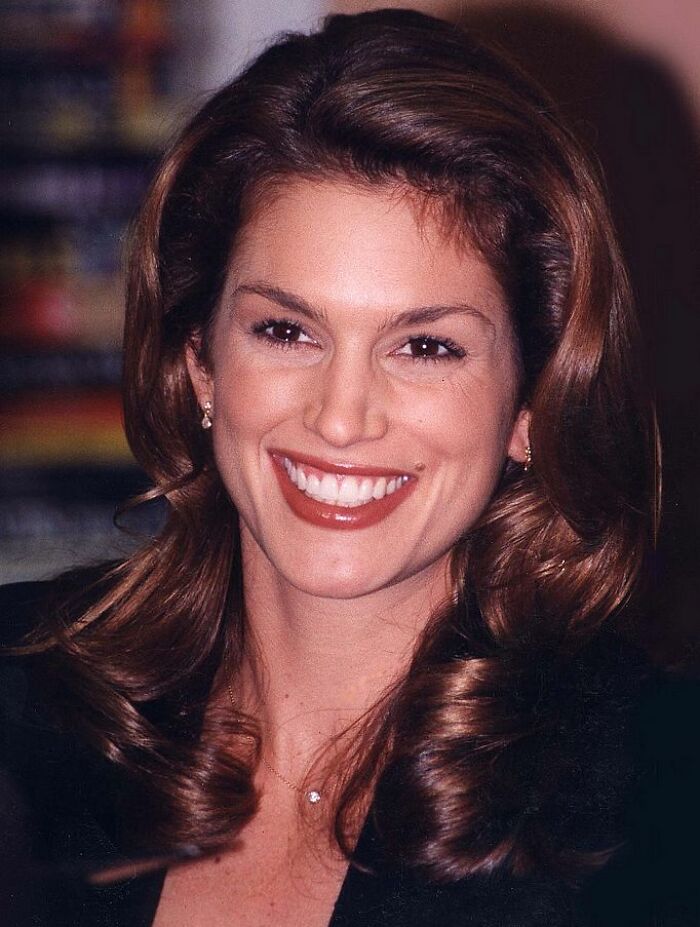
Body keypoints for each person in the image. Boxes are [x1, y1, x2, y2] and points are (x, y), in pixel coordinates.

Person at [1, 8, 697, 926]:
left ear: (531, 406)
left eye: (427, 347)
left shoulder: (662, 790)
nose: (339, 415)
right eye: (286, 331)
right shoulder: (23, 701)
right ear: (199, 362)